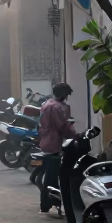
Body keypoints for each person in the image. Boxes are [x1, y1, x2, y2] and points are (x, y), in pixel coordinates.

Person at [37, 82, 73, 214]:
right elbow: (63, 126)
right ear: (63, 94)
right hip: (54, 144)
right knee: (52, 177)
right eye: (67, 94)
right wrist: (77, 136)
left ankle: (49, 203)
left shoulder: (47, 104)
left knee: (50, 176)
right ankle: (48, 204)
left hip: (47, 142)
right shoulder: (56, 107)